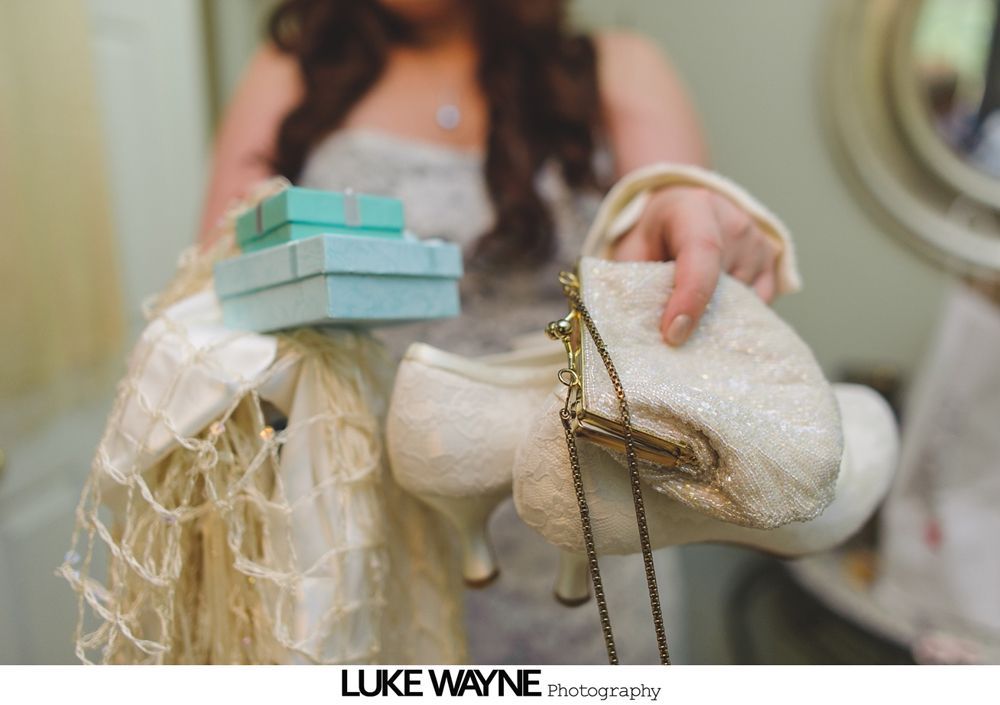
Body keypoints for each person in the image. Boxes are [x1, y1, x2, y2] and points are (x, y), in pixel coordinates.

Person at [198, 0, 786, 663]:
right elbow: (219, 286)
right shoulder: (292, 70)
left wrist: (683, 217)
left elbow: (662, 211)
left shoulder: (618, 68)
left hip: (580, 525)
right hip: (358, 530)